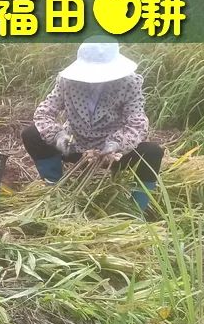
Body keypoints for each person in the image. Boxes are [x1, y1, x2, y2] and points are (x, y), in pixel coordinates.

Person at [22, 38, 164, 213]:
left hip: (113, 152)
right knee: (31, 134)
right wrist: (58, 136)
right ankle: (54, 187)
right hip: (74, 146)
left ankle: (135, 211)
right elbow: (44, 112)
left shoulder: (129, 84)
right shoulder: (67, 81)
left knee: (152, 152)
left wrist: (116, 143)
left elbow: (137, 123)